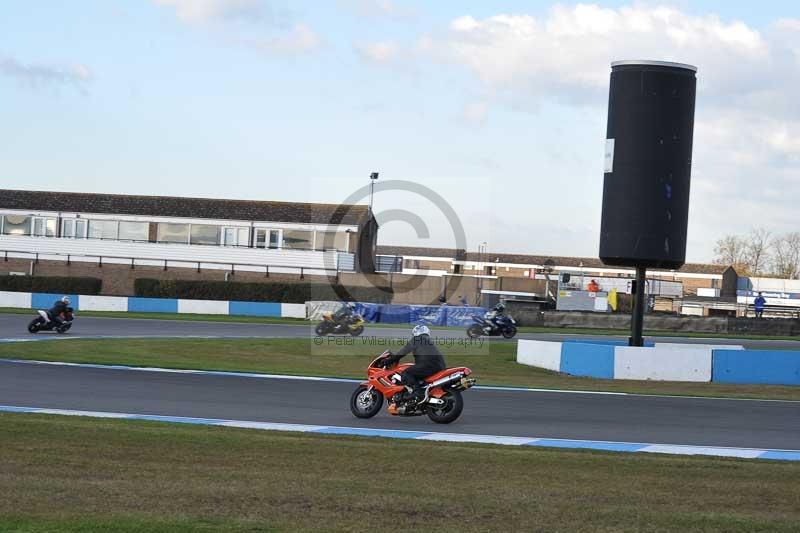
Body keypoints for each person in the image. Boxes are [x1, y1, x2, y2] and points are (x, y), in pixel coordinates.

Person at [384, 325, 446, 400]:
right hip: (440, 366)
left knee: (406, 373)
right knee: (416, 373)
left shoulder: (416, 339)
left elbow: (402, 352)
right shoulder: (428, 341)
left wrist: (389, 360)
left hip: (428, 365)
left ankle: (417, 392)